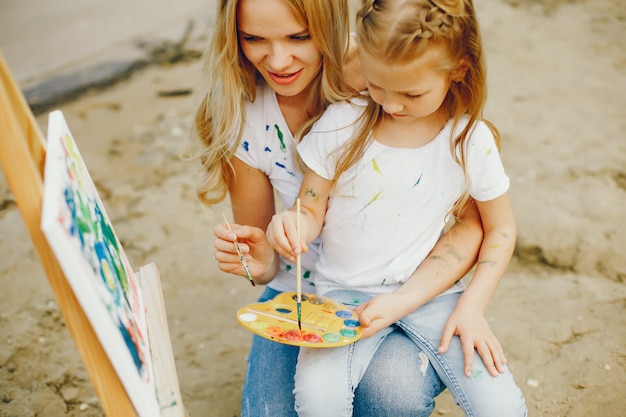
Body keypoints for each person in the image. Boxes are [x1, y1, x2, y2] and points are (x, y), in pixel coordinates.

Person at [192, 0, 499, 415]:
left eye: (299, 37)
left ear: (329, 23)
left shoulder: (380, 69)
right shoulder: (244, 118)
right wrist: (262, 258)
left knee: (392, 396)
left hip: (404, 285)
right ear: (234, 36)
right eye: (254, 38)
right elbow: (265, 263)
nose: (279, 60)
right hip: (303, 290)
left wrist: (465, 301)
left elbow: (472, 207)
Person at [266, 0, 528, 416]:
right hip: (342, 298)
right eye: (376, 86)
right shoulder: (342, 123)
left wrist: (473, 307)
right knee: (318, 401)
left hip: (435, 295)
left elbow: (500, 229)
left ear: (458, 69)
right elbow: (310, 207)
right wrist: (293, 224)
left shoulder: (468, 140)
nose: (391, 105)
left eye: (412, 93)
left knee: (501, 406)